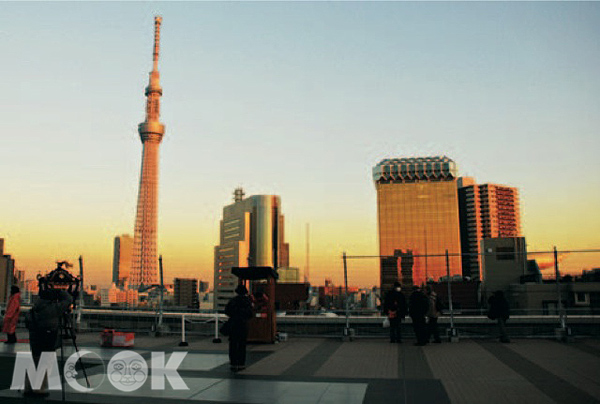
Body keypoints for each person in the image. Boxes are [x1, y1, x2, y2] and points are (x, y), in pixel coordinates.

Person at [24, 288, 72, 397]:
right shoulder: (53, 308)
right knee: (45, 362)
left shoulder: (34, 309)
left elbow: (27, 323)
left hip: (35, 338)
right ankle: (39, 389)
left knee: (35, 361)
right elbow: (69, 300)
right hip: (48, 337)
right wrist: (61, 292)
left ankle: (28, 387)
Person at [225, 284, 254, 372]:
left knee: (233, 344)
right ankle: (241, 363)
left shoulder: (233, 301)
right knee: (242, 345)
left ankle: (233, 363)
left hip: (233, 324)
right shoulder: (247, 301)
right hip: (242, 325)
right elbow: (250, 314)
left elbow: (227, 311)